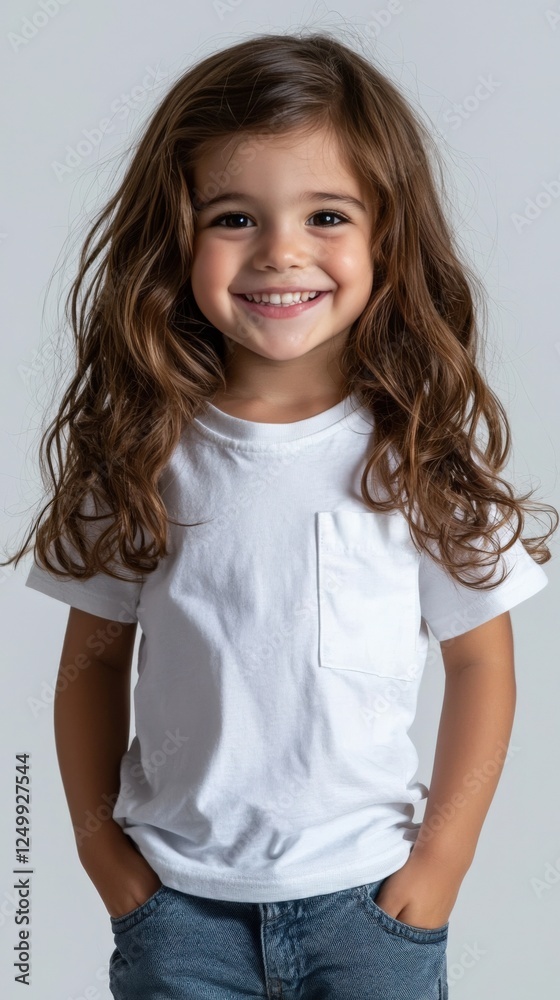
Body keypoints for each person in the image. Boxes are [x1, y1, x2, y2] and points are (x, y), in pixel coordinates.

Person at [5, 29, 557, 1000]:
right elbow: (89, 668)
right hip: (179, 913)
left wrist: (437, 870)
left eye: (326, 214)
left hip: (370, 911)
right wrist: (109, 862)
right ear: (174, 236)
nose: (280, 253)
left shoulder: (416, 451)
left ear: (388, 232)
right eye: (232, 217)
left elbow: (480, 664)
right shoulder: (141, 451)